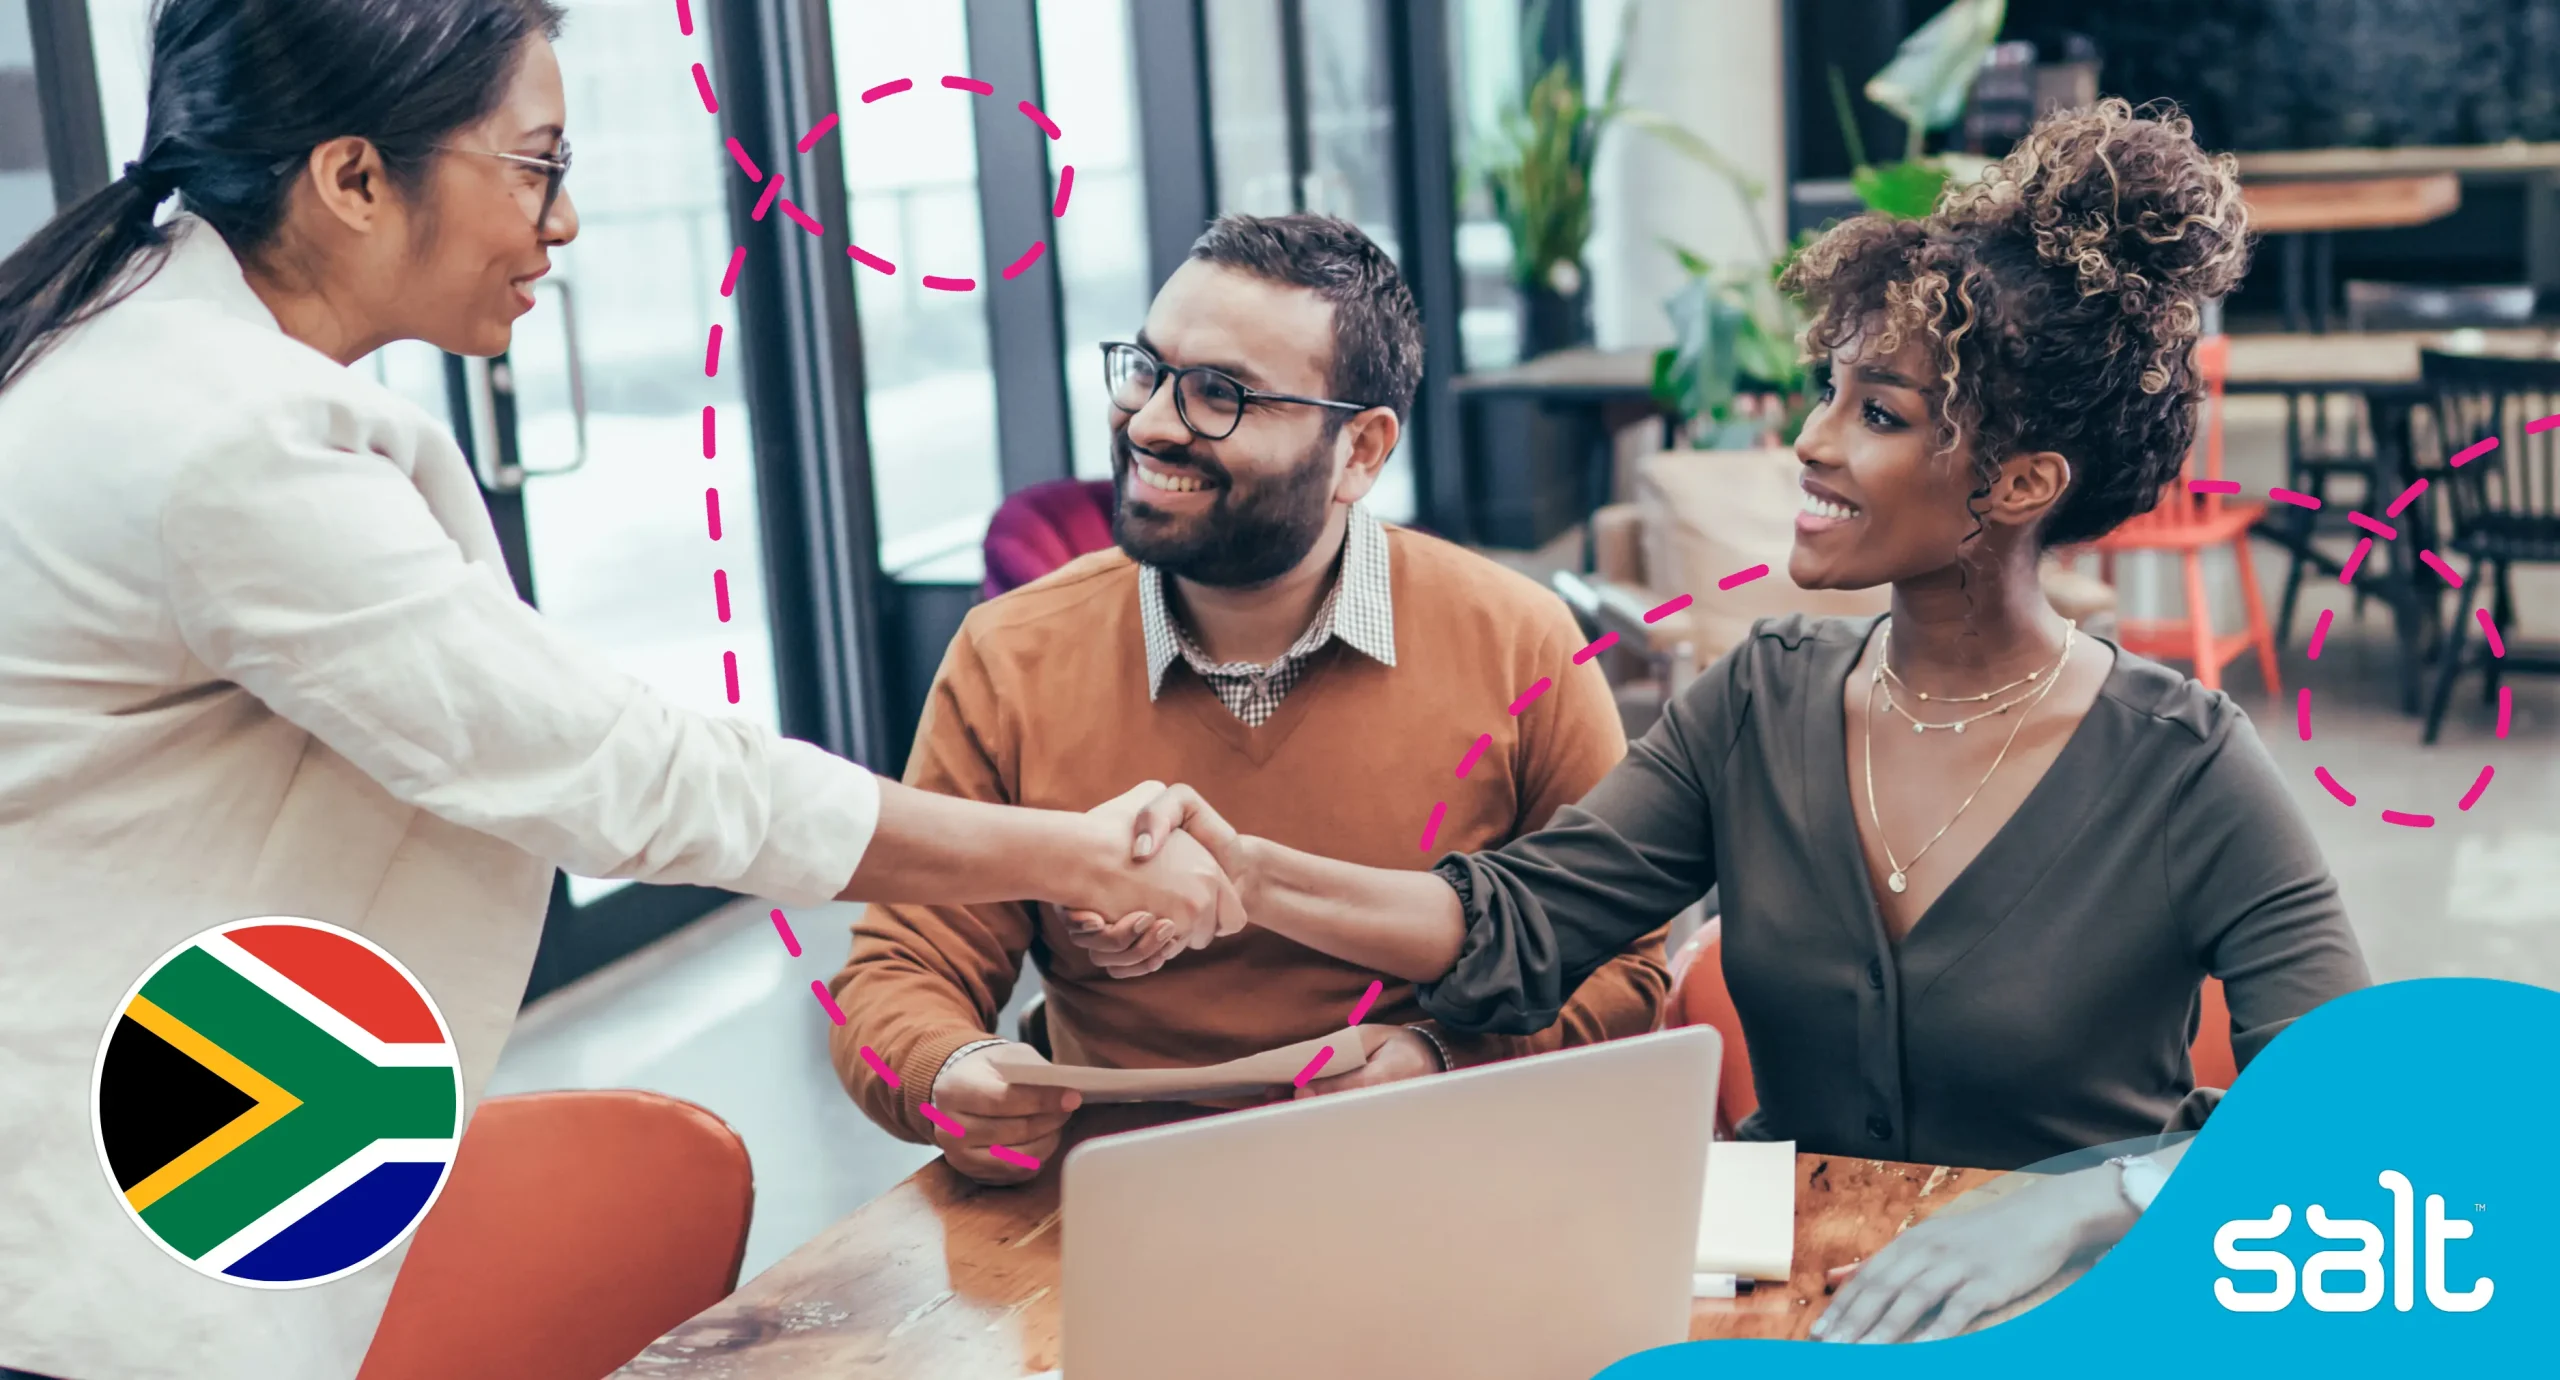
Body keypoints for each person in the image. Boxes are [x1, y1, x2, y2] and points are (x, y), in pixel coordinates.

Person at [0, 4, 1227, 1378]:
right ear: (352, 180)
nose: (564, 221)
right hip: (83, 1259)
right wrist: (1067, 852)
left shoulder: (129, 351)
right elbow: (623, 772)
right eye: (535, 167)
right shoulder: (225, 441)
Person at [1077, 101, 2372, 1340]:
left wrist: (2094, 1203)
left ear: (2021, 483)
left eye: (1879, 413)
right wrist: (1244, 873)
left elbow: (2351, 1126)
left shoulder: (2185, 765)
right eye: (1829, 389)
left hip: (2072, 1317)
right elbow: (1520, 920)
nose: (1808, 443)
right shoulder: (1761, 700)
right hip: (1776, 1305)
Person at [826, 213, 1670, 1184]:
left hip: (1433, 1172)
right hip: (1118, 1196)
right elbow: (897, 972)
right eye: (1144, 370)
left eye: (1219, 395)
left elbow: (1623, 966)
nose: (1148, 423)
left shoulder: (1517, 641)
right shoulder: (1010, 653)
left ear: (1359, 450)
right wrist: (949, 1071)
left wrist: (1449, 1060)